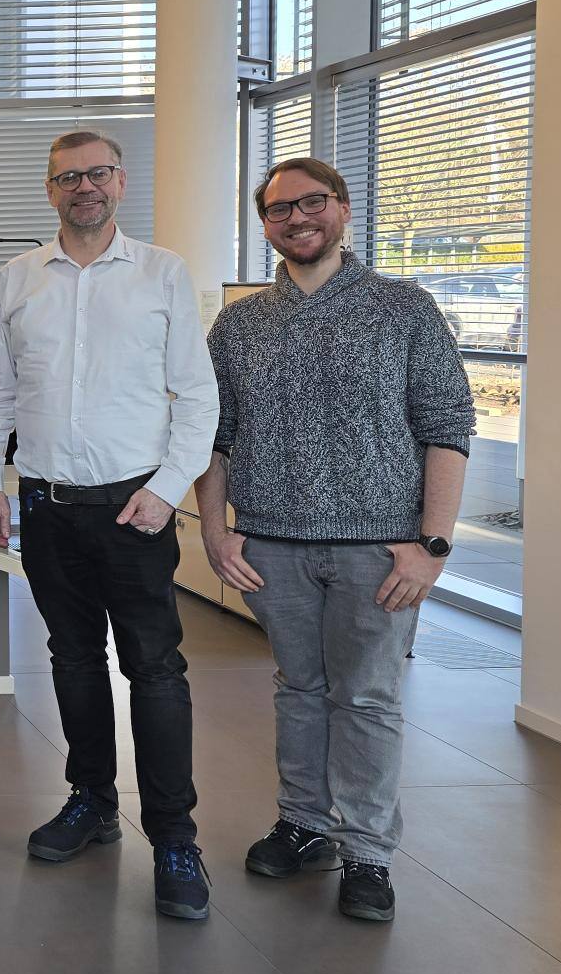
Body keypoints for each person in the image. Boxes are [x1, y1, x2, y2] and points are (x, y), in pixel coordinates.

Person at [198, 157, 473, 923]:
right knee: (299, 689)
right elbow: (214, 437)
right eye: (279, 209)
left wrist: (433, 545)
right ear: (265, 224)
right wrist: (215, 533)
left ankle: (368, 853)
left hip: (379, 552)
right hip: (272, 546)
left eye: (311, 202)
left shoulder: (404, 308)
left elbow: (448, 427)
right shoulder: (240, 325)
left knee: (368, 699)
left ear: (344, 209)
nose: (296, 218)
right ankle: (305, 824)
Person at [0, 131, 219, 921]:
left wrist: (168, 490)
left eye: (98, 173)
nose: (84, 187)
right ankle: (91, 800)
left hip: (134, 509)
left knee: (155, 669)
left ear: (121, 182)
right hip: (48, 507)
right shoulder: (17, 280)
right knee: (73, 659)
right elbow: (0, 395)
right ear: (49, 190)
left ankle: (175, 837)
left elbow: (198, 398)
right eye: (68, 177)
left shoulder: (162, 273)